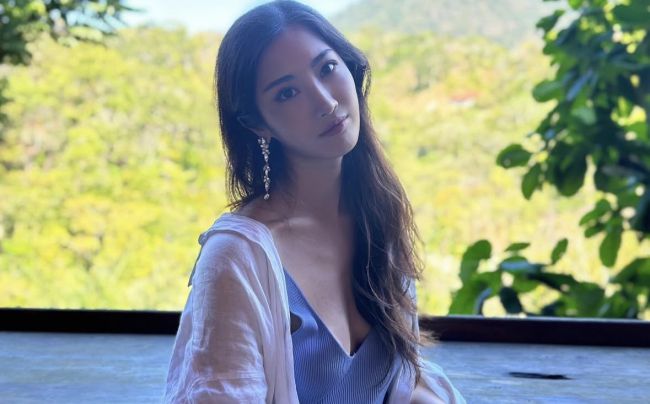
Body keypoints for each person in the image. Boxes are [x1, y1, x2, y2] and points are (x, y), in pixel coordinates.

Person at [163, 1, 465, 403]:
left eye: (327, 68)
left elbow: (402, 382)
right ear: (257, 123)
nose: (325, 101)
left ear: (350, 67)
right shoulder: (237, 257)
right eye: (287, 93)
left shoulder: (377, 217)